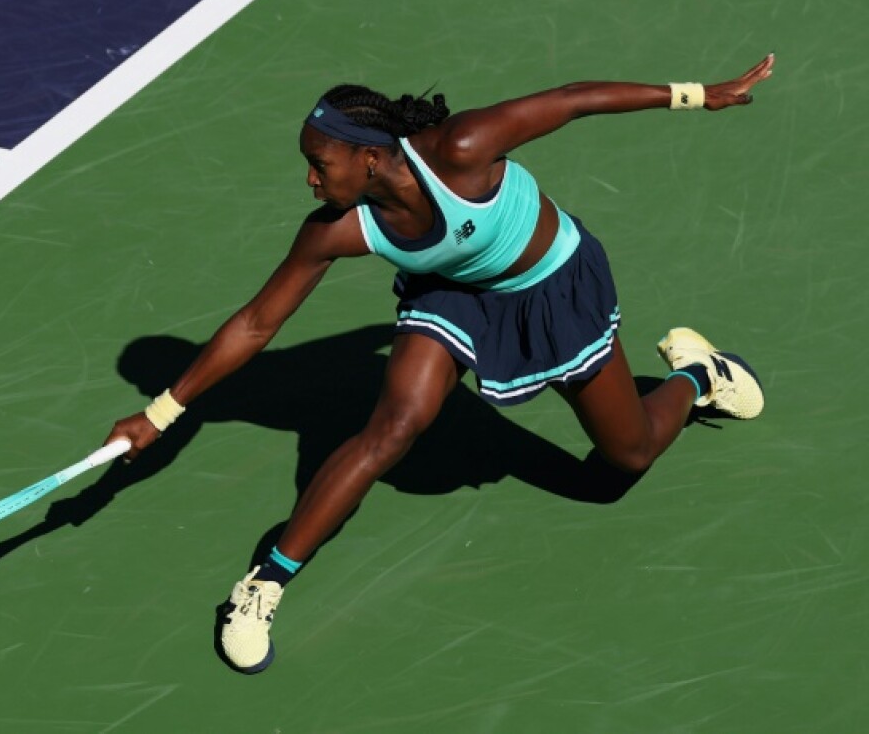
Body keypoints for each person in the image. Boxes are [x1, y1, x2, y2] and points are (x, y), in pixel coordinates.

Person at [104, 54, 775, 673]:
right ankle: (266, 583)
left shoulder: (461, 149)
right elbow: (257, 322)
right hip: (454, 296)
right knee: (393, 427)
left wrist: (698, 95)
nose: (309, 179)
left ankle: (698, 376)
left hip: (552, 289)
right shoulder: (339, 229)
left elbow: (574, 100)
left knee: (624, 459)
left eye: (320, 162)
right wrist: (159, 414)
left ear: (369, 158)